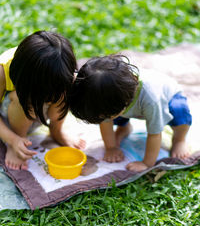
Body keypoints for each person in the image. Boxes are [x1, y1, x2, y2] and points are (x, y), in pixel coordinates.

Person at [69, 54, 192, 172]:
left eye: (105, 116)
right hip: (126, 106)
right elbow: (105, 122)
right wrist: (111, 148)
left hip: (169, 99)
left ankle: (179, 139)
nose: (104, 119)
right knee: (106, 113)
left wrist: (146, 163)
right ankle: (124, 128)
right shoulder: (106, 95)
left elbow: (155, 134)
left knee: (180, 113)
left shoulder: (152, 100)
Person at [0, 30, 85, 170]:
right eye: (48, 94)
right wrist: (12, 140)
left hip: (37, 113)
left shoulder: (59, 70)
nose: (51, 100)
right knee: (25, 100)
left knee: (64, 88)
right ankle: (18, 142)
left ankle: (56, 130)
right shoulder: (3, 72)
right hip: (10, 116)